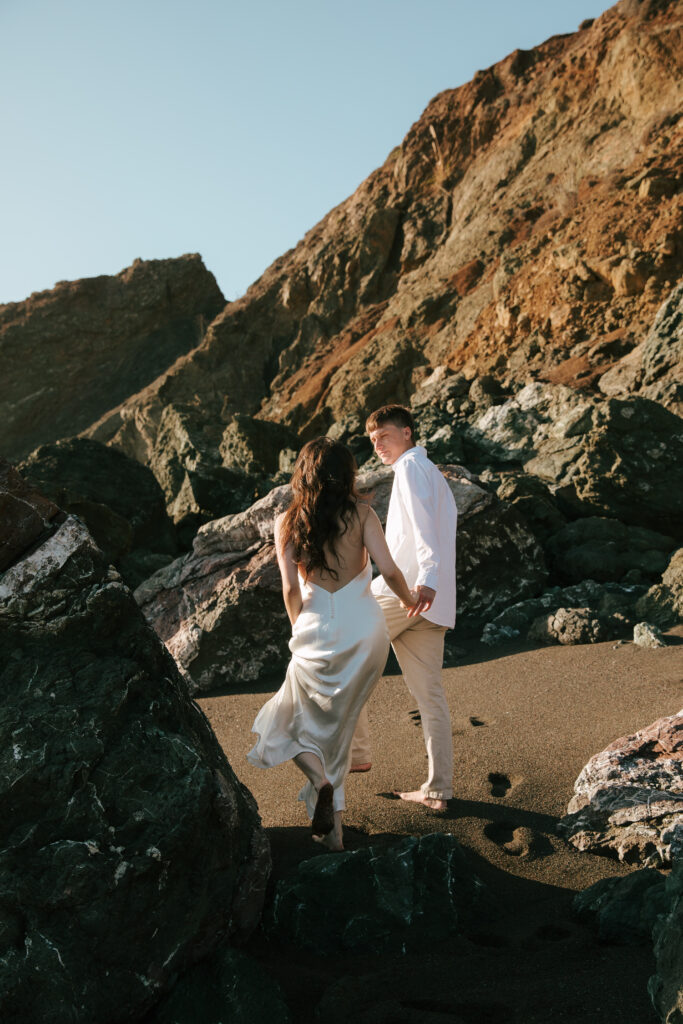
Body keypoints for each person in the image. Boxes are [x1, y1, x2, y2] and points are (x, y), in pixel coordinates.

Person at [247, 437, 416, 852]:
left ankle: (320, 782)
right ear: (348, 473)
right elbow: (389, 570)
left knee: (283, 720)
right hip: (366, 633)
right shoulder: (362, 514)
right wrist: (412, 601)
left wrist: (297, 630)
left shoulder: (287, 521)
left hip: (316, 627)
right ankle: (334, 835)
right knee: (337, 731)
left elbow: (290, 588)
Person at [350, 404, 457, 811]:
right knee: (431, 697)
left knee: (341, 649)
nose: (378, 445)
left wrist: (424, 580)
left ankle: (355, 754)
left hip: (409, 594)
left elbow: (427, 534)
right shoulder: (433, 475)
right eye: (373, 440)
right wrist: (433, 584)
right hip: (434, 603)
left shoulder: (411, 468)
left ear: (408, 433)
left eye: (385, 436)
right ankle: (438, 790)